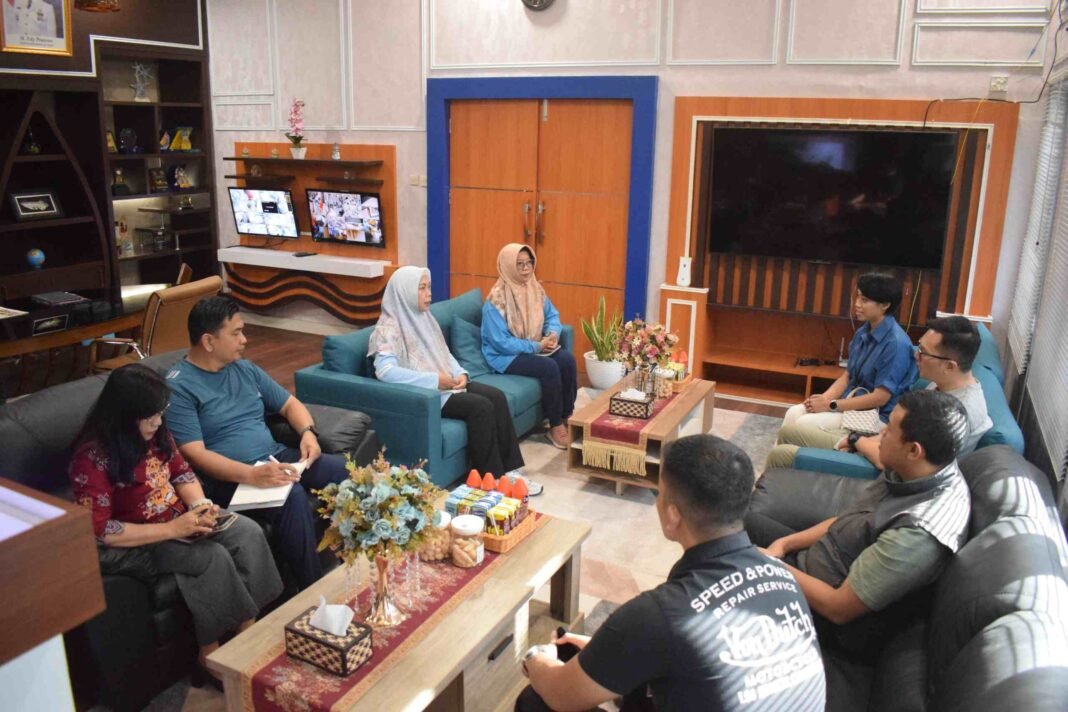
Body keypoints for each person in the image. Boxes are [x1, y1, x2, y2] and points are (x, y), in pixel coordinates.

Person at [517, 435, 825, 712]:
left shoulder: (659, 614)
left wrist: (537, 657)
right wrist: (611, 654)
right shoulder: (782, 575)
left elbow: (560, 695)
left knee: (534, 702)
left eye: (660, 494)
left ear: (672, 516)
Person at [69, 364, 282, 682]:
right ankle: (210, 654)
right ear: (125, 414)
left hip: (179, 518)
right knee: (210, 557)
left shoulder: (157, 434)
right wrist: (173, 529)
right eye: (149, 416)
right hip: (143, 539)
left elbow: (182, 473)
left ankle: (248, 631)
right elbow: (99, 531)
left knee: (247, 532)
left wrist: (200, 506)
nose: (157, 422)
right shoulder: (93, 458)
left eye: (160, 413)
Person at [748, 390, 971, 655]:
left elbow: (838, 608)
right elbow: (849, 519)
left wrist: (769, 566)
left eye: (889, 430)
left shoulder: (918, 533)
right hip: (817, 561)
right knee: (728, 521)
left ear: (914, 450)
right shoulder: (912, 471)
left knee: (725, 563)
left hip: (827, 614)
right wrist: (784, 545)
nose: (881, 434)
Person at [166, 297, 351, 589]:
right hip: (230, 479)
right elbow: (194, 454)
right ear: (209, 341)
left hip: (275, 457)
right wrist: (252, 475)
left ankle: (359, 563)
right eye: (236, 333)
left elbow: (290, 404)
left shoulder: (244, 369)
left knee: (344, 469)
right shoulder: (178, 387)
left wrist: (308, 433)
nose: (244, 339)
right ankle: (313, 589)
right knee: (290, 496)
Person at [369, 266, 527, 487]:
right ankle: (492, 479)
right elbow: (385, 372)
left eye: (429, 287)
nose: (429, 294)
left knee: (496, 396)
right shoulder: (387, 329)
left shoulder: (426, 317)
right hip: (426, 394)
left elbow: (443, 353)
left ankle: (511, 469)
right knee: (480, 407)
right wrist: (433, 380)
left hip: (447, 383)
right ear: (405, 292)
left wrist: (460, 373)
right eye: (422, 288)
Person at [765, 272, 917, 470]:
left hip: (873, 418)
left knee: (802, 424)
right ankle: (778, 472)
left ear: (885, 305)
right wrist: (822, 399)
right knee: (795, 412)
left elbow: (880, 397)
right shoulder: (863, 332)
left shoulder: (896, 344)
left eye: (865, 300)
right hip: (848, 406)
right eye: (857, 297)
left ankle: (790, 467)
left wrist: (830, 405)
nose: (857, 304)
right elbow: (848, 376)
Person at [839, 316, 993, 470]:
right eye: (919, 347)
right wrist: (863, 443)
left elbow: (891, 461)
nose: (915, 356)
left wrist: (856, 440)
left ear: (949, 367)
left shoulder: (953, 415)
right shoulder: (943, 384)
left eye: (923, 353)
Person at [482, 244, 577, 452]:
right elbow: (500, 342)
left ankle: (567, 416)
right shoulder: (495, 300)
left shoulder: (535, 288)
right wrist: (535, 346)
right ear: (508, 266)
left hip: (534, 346)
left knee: (567, 360)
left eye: (529, 263)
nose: (526, 269)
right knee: (549, 368)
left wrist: (552, 334)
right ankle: (555, 426)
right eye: (519, 264)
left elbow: (552, 315)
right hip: (504, 356)